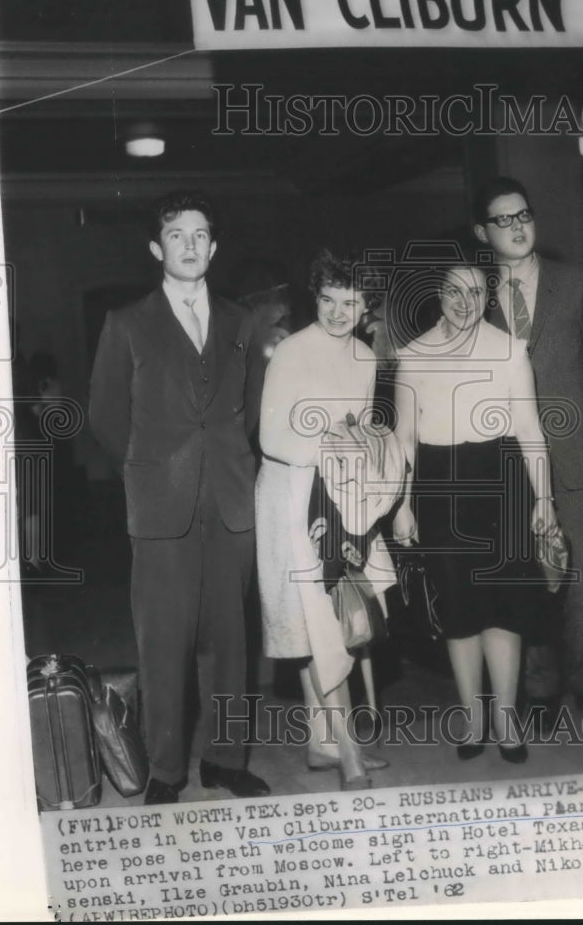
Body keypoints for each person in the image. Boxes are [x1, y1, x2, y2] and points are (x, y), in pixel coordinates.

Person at [89, 190, 270, 804]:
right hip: (160, 503)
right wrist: (150, 471)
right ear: (155, 248)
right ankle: (166, 770)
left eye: (200, 235)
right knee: (163, 641)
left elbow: (249, 411)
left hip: (230, 499)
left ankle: (226, 760)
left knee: (231, 641)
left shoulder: (242, 321)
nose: (189, 246)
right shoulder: (127, 323)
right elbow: (106, 418)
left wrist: (223, 463)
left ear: (213, 247)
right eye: (176, 235)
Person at [393, 261, 558, 762]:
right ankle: (473, 716)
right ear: (437, 293)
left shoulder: (509, 350)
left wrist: (544, 500)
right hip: (439, 487)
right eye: (452, 291)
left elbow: (531, 433)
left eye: (475, 293)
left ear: (488, 298)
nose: (463, 303)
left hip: (501, 484)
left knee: (504, 608)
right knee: (459, 609)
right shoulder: (413, 354)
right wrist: (402, 505)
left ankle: (506, 716)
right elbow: (403, 439)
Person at [473, 175, 583, 728]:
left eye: (523, 215)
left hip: (577, 452)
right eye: (503, 220)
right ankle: (540, 688)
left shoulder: (579, 285)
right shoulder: (474, 299)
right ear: (482, 233)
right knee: (526, 577)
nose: (517, 226)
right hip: (509, 461)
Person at [256, 247, 397, 791]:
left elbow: (362, 433)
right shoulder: (291, 352)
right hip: (292, 497)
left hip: (343, 495)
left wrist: (360, 469)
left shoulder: (365, 358)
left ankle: (321, 742)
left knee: (345, 613)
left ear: (366, 305)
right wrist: (334, 445)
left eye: (351, 301)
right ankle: (349, 751)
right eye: (328, 299)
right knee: (321, 621)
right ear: (314, 297)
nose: (339, 312)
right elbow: (272, 439)